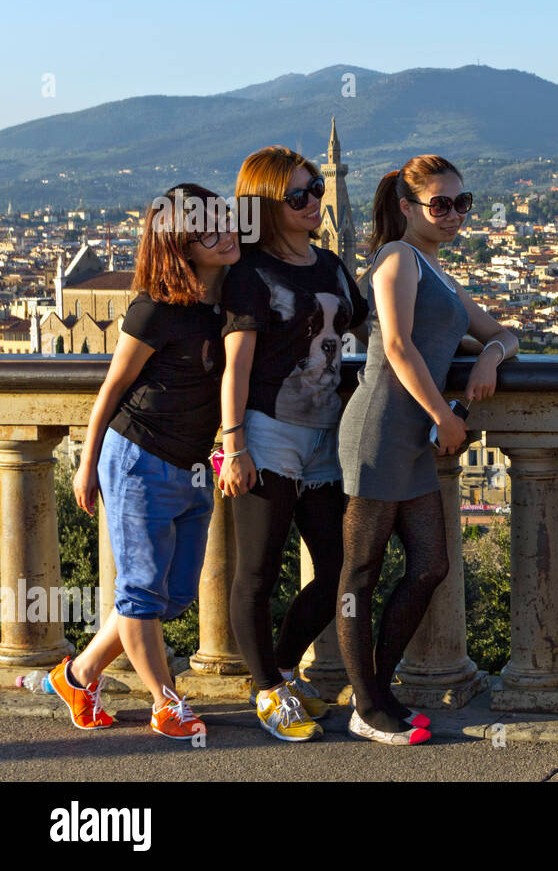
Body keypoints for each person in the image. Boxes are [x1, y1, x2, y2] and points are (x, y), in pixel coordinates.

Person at [50, 184, 240, 740]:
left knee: (173, 595)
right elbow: (112, 388)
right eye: (209, 231)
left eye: (225, 221)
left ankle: (79, 674)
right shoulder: (154, 308)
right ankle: (166, 701)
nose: (226, 233)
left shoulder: (227, 297)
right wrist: (87, 464)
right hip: (137, 458)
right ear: (181, 246)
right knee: (139, 593)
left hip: (193, 467)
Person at [337, 155, 517, 743]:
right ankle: (368, 704)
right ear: (407, 207)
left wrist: (488, 357)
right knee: (360, 570)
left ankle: (376, 692)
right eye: (440, 204)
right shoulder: (396, 260)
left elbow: (503, 334)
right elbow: (393, 344)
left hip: (415, 435)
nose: (454, 215)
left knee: (431, 565)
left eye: (462, 203)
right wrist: (445, 414)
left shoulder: (436, 270)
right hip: (383, 428)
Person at [217, 146, 369, 742]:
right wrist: (235, 446)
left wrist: (473, 338)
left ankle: (280, 668)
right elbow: (236, 365)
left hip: (326, 434)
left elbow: (373, 319)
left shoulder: (330, 264)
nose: (313, 202)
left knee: (339, 564)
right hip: (267, 432)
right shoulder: (250, 276)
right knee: (257, 570)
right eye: (299, 195)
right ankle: (266, 692)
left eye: (317, 191)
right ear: (265, 205)